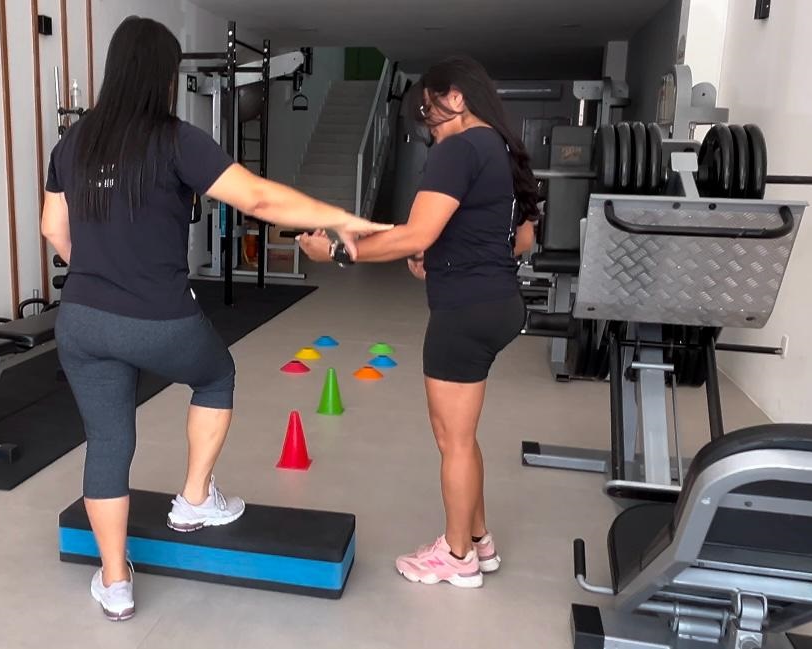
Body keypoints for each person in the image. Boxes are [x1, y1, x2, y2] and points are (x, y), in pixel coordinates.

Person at [40, 16, 391, 621]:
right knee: (215, 374)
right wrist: (340, 216)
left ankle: (116, 582)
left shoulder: (72, 144)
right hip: (159, 318)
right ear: (163, 75)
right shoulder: (177, 139)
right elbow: (255, 198)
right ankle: (195, 500)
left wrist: (101, 270)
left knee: (107, 442)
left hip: (82, 319)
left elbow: (53, 229)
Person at [298, 55, 539, 588]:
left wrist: (338, 252)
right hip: (497, 302)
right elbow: (520, 238)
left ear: (455, 96)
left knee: (451, 438)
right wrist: (443, 252)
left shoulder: (459, 148)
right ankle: (479, 540)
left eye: (428, 109)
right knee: (462, 435)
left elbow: (413, 234)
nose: (428, 123)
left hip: (464, 313)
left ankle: (456, 560)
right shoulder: (500, 147)